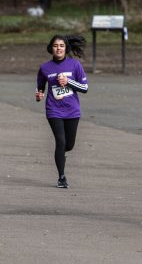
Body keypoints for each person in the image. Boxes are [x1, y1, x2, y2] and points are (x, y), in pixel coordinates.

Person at [35, 35, 88, 188]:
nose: (58, 48)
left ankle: (60, 154)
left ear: (66, 48)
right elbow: (40, 86)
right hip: (54, 110)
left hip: (72, 110)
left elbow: (85, 88)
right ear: (51, 48)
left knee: (69, 145)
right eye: (55, 46)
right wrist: (39, 94)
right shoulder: (45, 68)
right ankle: (62, 177)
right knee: (60, 141)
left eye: (61, 46)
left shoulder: (75, 65)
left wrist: (68, 82)